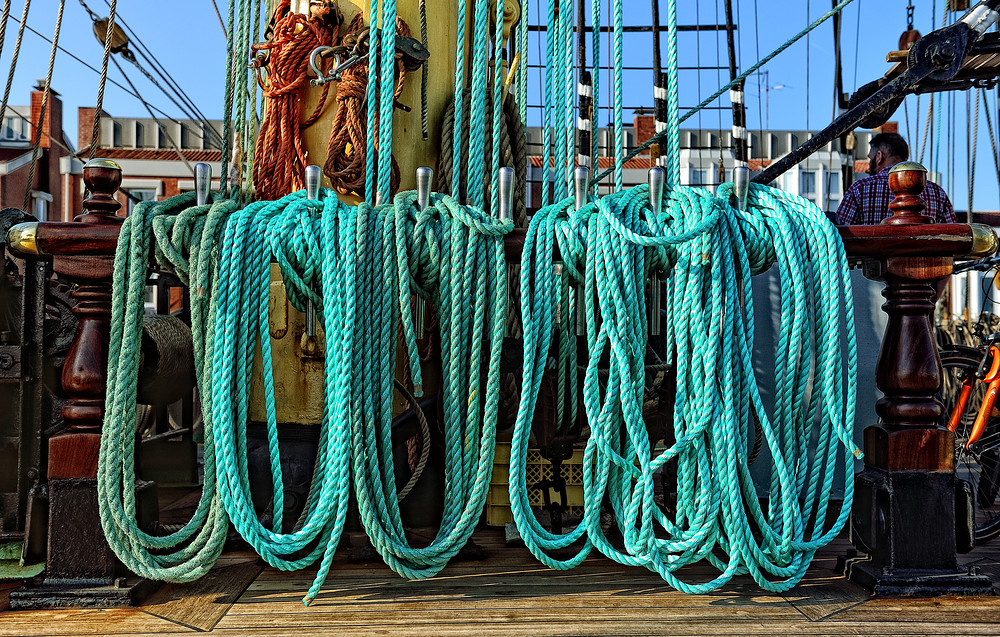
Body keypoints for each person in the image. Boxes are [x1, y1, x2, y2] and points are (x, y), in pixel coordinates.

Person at [836, 132, 956, 225]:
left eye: (870, 158)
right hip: (924, 257)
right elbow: (954, 236)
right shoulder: (937, 192)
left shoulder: (860, 189)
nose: (868, 165)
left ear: (879, 157)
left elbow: (839, 232)